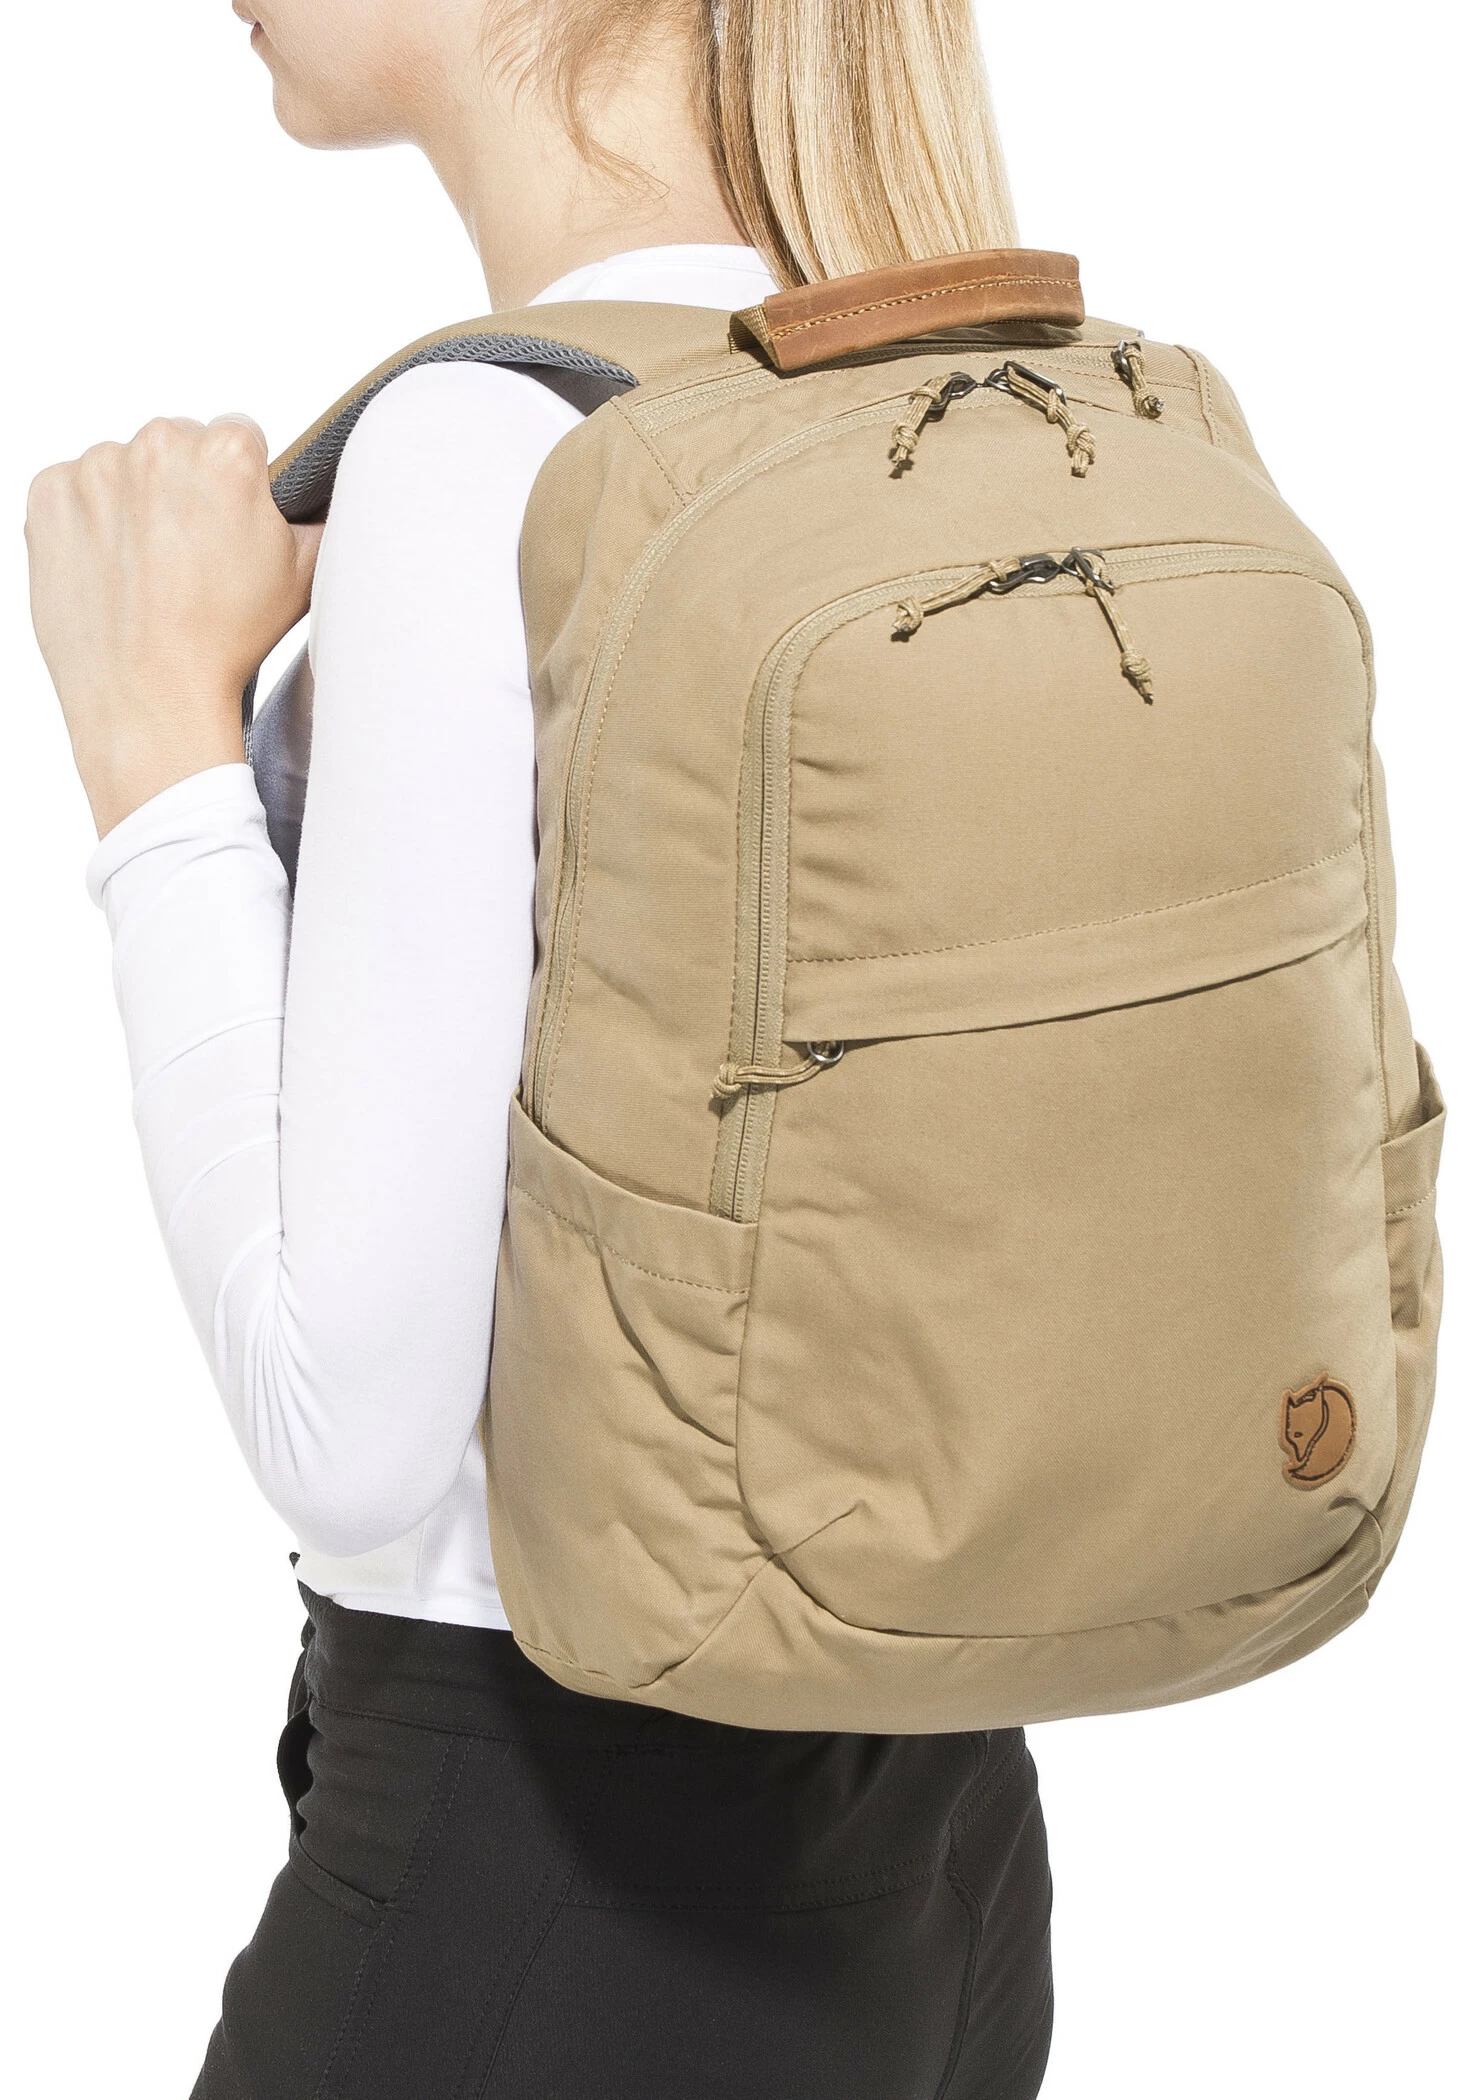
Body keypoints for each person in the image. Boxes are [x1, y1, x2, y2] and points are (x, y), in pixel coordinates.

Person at [25, 3, 1055, 2094]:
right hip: (946, 1856)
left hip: (549, 1881)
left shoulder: (486, 454)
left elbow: (349, 1429)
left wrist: (150, 749)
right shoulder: (959, 395)